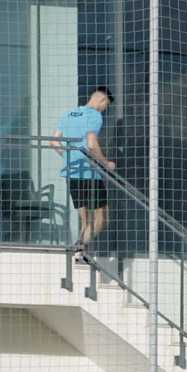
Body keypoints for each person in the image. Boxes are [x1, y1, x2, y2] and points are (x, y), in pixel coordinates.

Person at [61, 84, 118, 250]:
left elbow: (54, 141)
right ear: (102, 100)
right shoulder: (95, 115)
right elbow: (92, 144)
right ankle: (79, 250)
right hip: (89, 172)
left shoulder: (69, 114)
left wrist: (69, 157)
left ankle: (79, 251)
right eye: (106, 105)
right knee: (101, 217)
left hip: (71, 171)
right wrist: (106, 163)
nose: (104, 109)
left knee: (85, 221)